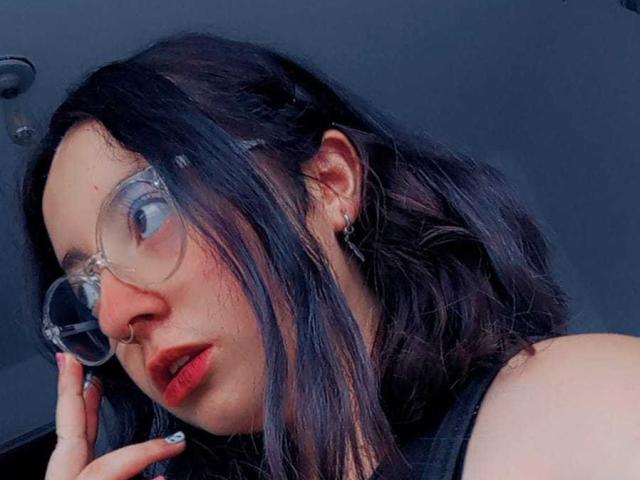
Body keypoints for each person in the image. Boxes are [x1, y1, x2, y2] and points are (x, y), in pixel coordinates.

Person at [20, 32, 640, 480]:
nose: (113, 318)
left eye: (147, 216)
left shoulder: (571, 410)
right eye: (87, 292)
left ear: (329, 182)